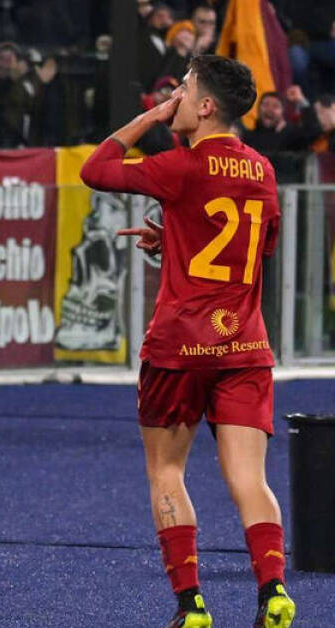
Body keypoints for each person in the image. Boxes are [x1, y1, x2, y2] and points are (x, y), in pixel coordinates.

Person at [79, 55, 296, 628]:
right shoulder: (262, 169)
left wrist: (150, 118)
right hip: (243, 345)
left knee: (167, 472)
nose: (173, 97)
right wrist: (178, 236)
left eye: (183, 88)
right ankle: (273, 591)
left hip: (179, 346)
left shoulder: (180, 165)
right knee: (250, 480)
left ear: (204, 106)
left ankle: (191, 605)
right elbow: (258, 250)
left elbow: (97, 168)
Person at [241, 87, 321, 153]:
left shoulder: (292, 136)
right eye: (265, 104)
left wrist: (300, 100)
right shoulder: (248, 138)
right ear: (258, 108)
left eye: (275, 106)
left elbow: (313, 131)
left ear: (283, 112)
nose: (269, 109)